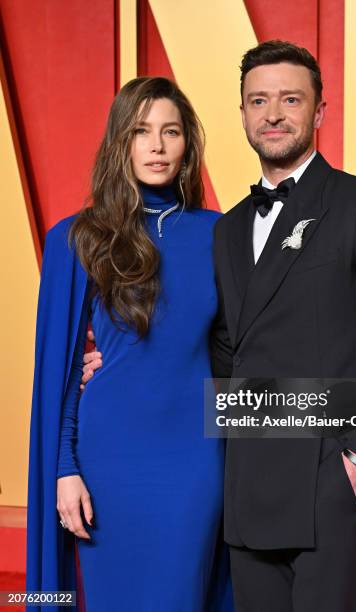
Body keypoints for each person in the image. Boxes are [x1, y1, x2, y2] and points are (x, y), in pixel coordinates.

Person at [83, 42, 356, 611]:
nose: (273, 114)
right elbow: (215, 348)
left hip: (330, 477)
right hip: (244, 483)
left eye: (290, 99)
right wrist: (118, 363)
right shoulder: (228, 229)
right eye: (258, 100)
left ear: (319, 111)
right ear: (242, 113)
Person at [26, 76, 233, 612]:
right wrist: (64, 467)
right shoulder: (77, 238)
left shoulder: (222, 235)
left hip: (196, 456)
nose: (157, 147)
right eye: (141, 132)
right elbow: (62, 372)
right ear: (120, 140)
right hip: (107, 458)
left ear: (189, 143)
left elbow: (246, 346)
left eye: (171, 131)